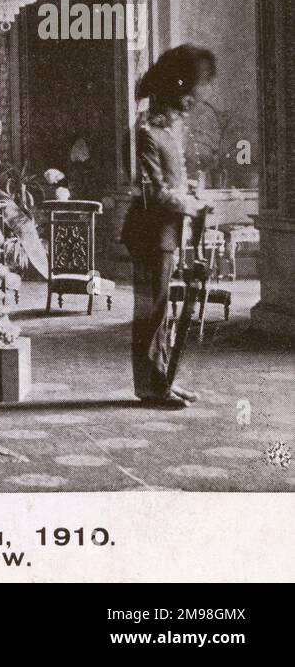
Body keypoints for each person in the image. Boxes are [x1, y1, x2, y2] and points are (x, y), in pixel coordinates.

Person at [120, 44, 216, 409]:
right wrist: (190, 204)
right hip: (148, 233)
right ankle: (150, 387)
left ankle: (163, 381)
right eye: (183, 102)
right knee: (151, 312)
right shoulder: (145, 132)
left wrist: (190, 193)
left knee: (161, 312)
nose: (187, 108)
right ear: (169, 99)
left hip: (165, 234)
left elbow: (170, 184)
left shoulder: (166, 134)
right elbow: (152, 192)